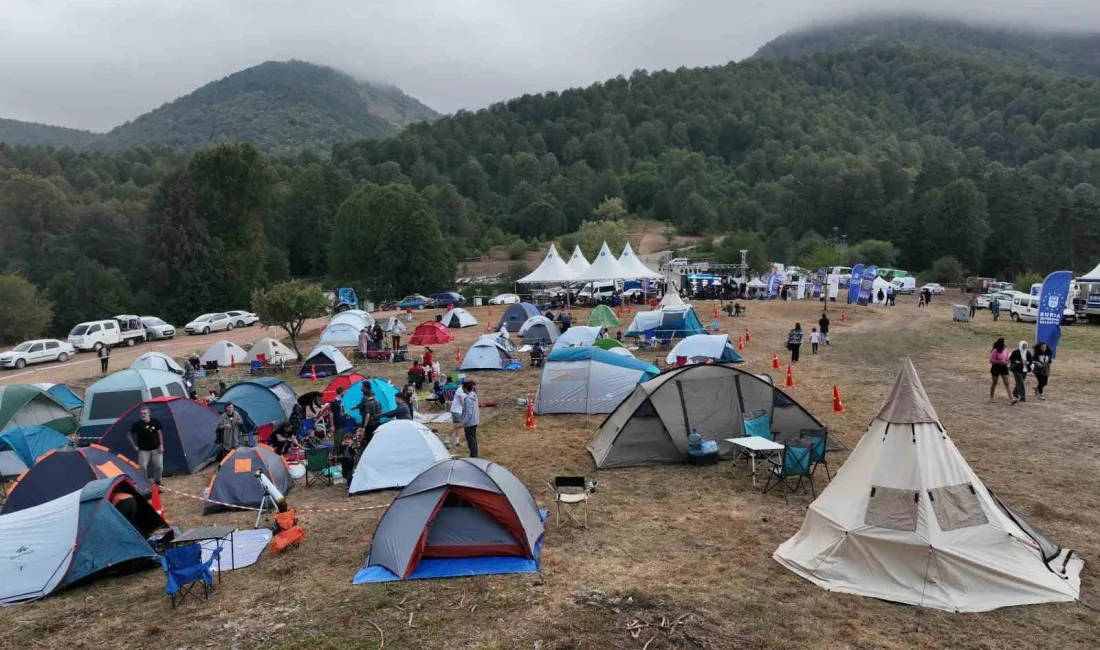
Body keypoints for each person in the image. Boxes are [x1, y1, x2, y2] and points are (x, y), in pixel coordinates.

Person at [128, 407, 164, 485]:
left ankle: (157, 482)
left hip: (156, 448)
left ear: (149, 414)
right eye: (141, 413)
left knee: (159, 466)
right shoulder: (137, 425)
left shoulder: (155, 421)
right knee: (143, 467)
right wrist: (134, 445)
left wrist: (161, 445)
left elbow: (159, 434)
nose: (143, 415)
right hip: (143, 449)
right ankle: (145, 483)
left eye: (145, 413)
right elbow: (129, 434)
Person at [989, 338, 1014, 402]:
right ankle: (991, 397)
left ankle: (1011, 399)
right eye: (1004, 342)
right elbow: (991, 360)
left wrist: (1008, 361)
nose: (1005, 343)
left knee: (1007, 383)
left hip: (1004, 367)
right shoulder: (995, 350)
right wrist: (1000, 362)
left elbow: (1008, 358)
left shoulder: (1005, 350)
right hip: (996, 367)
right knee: (994, 383)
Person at [460, 380, 480, 458]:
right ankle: (475, 453)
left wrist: (463, 422)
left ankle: (473, 455)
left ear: (465, 389)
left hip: (470, 423)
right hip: (475, 420)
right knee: (473, 438)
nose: (462, 389)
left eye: (462, 388)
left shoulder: (468, 399)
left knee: (470, 439)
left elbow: (469, 413)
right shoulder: (474, 395)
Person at [448, 380, 466, 448]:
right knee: (456, 425)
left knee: (459, 426)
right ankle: (447, 439)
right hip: (456, 410)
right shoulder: (460, 390)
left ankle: (456, 441)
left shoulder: (465, 391)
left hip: (460, 411)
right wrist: (465, 408)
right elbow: (461, 400)